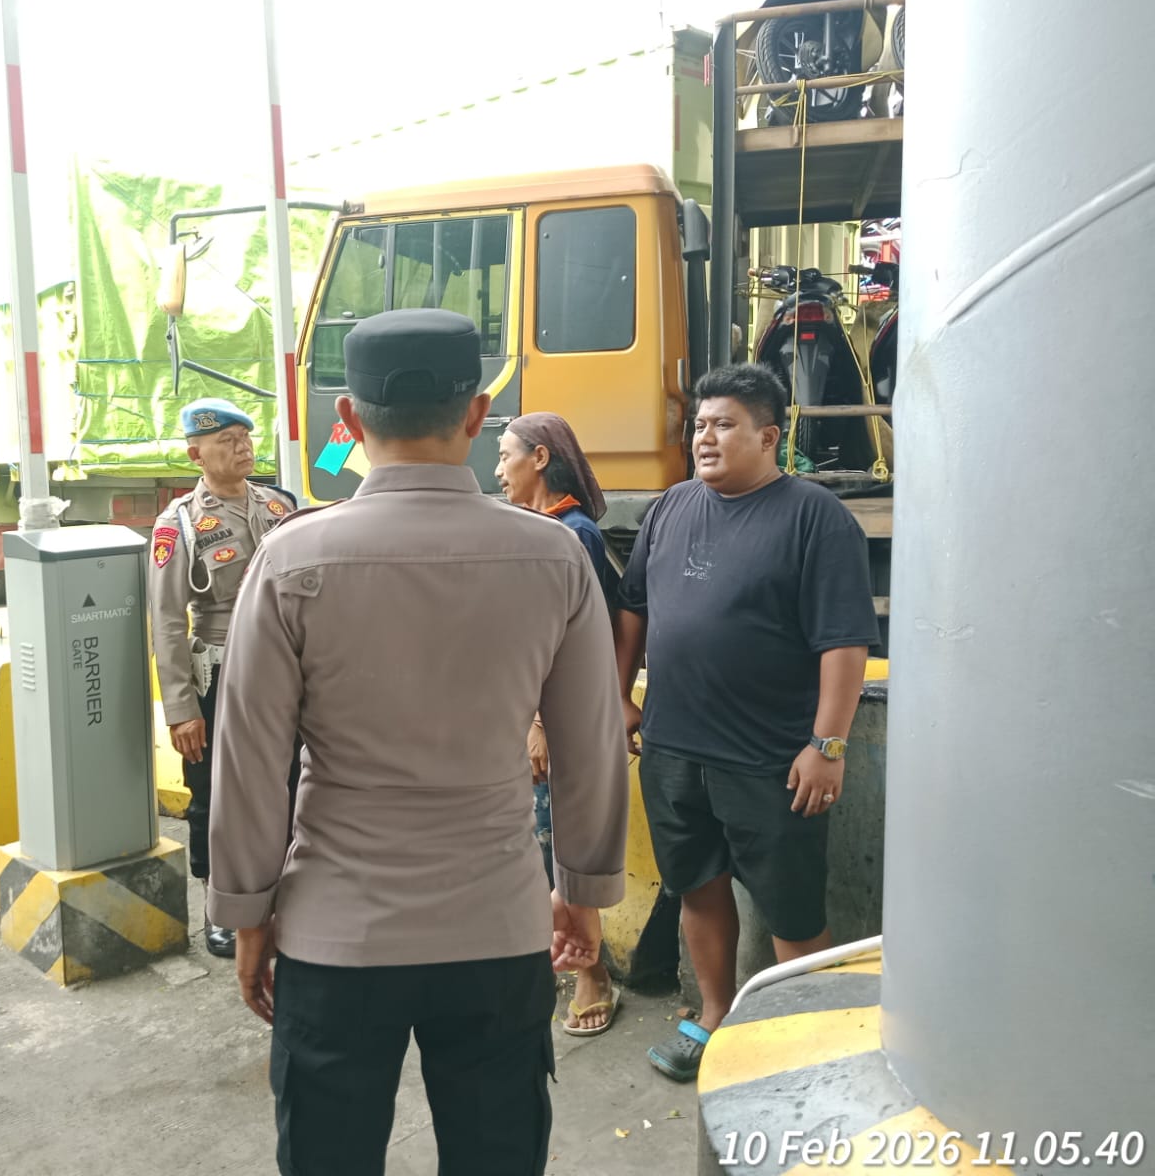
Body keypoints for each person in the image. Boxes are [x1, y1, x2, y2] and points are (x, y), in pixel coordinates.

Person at [207, 308, 630, 1175]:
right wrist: (581, 892)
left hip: (335, 933)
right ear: (476, 414)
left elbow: (249, 762)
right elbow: (590, 746)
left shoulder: (290, 560)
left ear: (350, 420)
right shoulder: (555, 558)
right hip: (498, 925)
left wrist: (245, 915)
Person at [616, 362, 877, 1083]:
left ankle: (804, 1044)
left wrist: (827, 745)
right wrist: (618, 696)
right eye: (699, 424)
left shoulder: (814, 518)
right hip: (673, 749)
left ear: (768, 437)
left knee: (792, 908)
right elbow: (632, 608)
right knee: (697, 886)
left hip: (770, 759)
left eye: (723, 424)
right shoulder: (670, 508)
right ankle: (714, 1016)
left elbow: (843, 642)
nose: (704, 437)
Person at [150, 396, 298, 958]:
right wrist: (181, 708)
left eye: (245, 439)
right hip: (220, 673)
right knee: (214, 795)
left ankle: (283, 894)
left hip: (285, 670)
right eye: (226, 442)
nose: (242, 449)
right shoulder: (180, 525)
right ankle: (220, 905)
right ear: (196, 455)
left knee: (290, 782)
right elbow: (167, 620)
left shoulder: (280, 506)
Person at [496, 412, 628, 1039]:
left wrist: (540, 724)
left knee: (558, 844)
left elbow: (573, 648)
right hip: (517, 715)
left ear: (541, 458)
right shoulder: (528, 528)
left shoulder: (575, 535)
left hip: (551, 721)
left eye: (506, 455)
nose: (499, 469)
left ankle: (591, 974)